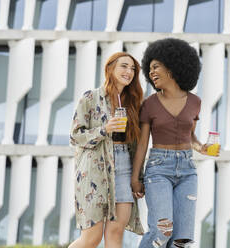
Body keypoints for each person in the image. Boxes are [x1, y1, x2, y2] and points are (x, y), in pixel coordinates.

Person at [131, 38, 220, 248]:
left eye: (156, 67)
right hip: (158, 168)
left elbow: (190, 136)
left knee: (183, 240)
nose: (152, 73)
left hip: (187, 170)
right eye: (149, 68)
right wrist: (136, 177)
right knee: (162, 231)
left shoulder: (195, 102)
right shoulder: (149, 104)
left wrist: (201, 147)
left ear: (172, 67)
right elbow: (143, 144)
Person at [69, 52, 144, 248]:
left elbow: (137, 145)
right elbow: (75, 136)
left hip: (124, 167)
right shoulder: (90, 98)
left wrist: (138, 177)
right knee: (91, 238)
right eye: (124, 66)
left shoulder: (133, 103)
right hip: (94, 169)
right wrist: (105, 129)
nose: (129, 72)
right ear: (110, 68)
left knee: (115, 233)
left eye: (133, 69)